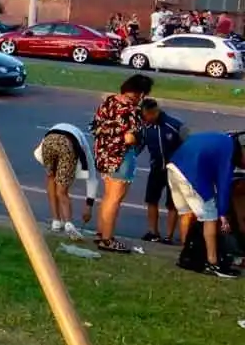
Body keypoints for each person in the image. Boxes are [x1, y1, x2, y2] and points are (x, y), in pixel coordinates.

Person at [167, 131, 245, 277]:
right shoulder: (228, 154)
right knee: (210, 216)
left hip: (174, 166)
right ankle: (212, 262)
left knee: (187, 214)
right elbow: (223, 186)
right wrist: (222, 213)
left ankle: (188, 255)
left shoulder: (222, 140)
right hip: (190, 173)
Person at [91, 74, 154, 253]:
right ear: (140, 93)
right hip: (121, 157)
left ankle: (101, 233)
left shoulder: (108, 102)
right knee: (115, 199)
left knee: (107, 196)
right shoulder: (131, 110)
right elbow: (129, 138)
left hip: (103, 154)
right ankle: (107, 239)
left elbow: (95, 126)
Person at [34, 123, 98, 240]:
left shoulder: (80, 143)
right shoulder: (86, 155)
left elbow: (37, 154)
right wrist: (89, 206)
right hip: (67, 144)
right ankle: (68, 223)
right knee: (62, 191)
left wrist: (53, 172)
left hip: (48, 141)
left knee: (51, 178)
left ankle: (56, 222)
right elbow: (92, 179)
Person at [140, 99, 189, 244]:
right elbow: (139, 145)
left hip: (175, 170)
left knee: (173, 203)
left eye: (146, 115)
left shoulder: (174, 125)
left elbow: (188, 146)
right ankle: (153, 232)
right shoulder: (145, 127)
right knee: (151, 199)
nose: (144, 118)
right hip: (156, 168)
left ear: (153, 112)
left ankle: (169, 236)